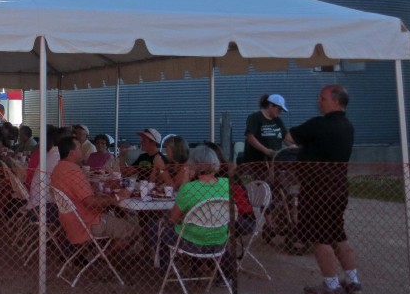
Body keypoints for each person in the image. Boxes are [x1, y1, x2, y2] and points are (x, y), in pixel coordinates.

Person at [290, 84, 361, 294]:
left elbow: (289, 137)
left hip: (317, 189)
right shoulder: (348, 127)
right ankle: (353, 280)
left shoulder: (319, 124)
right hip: (339, 187)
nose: (318, 101)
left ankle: (331, 285)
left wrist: (303, 150)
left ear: (335, 101)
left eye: (322, 98)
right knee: (338, 234)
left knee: (320, 238)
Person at [153, 144, 234, 278]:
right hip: (220, 241)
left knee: (160, 228)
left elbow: (173, 219)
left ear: (193, 164)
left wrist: (186, 177)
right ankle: (221, 275)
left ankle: (166, 271)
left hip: (192, 243)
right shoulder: (227, 184)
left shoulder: (189, 188)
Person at [50, 135, 138, 250]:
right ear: (72, 153)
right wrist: (116, 197)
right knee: (135, 228)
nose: (83, 151)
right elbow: (90, 202)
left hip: (70, 220)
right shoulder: (73, 171)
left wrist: (101, 193)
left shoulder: (58, 168)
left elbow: (80, 196)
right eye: (80, 149)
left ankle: (97, 253)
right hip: (88, 223)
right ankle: (105, 256)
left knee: (117, 214)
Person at [243, 94, 293, 171]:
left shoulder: (277, 121)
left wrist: (295, 147)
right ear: (270, 106)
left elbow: (285, 137)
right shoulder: (255, 117)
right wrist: (266, 151)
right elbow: (249, 136)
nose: (280, 112)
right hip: (256, 164)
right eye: (279, 109)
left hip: (274, 163)